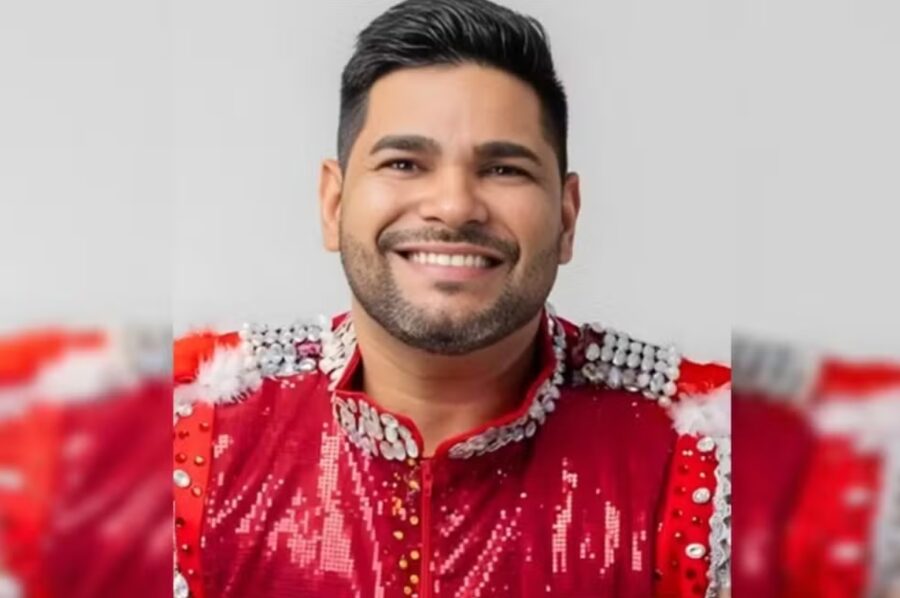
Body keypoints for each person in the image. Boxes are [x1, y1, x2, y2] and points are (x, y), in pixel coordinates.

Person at [173, 0, 731, 596]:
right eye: (404, 163)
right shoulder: (183, 427)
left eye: (504, 169)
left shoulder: (716, 455)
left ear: (567, 218)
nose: (455, 206)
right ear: (333, 204)